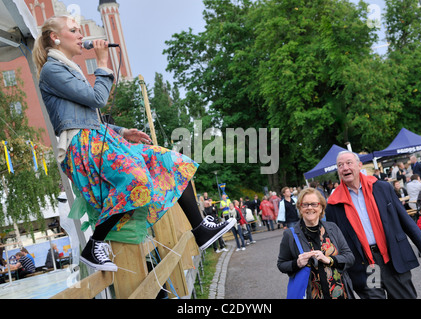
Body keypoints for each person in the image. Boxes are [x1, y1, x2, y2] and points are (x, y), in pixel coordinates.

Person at [33, 15, 235, 272]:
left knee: (170, 161)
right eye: (74, 30)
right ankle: (95, 244)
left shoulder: (69, 69)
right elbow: (96, 99)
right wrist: (103, 62)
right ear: (55, 37)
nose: (81, 36)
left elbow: (88, 117)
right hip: (81, 147)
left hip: (99, 138)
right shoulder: (52, 70)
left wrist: (123, 131)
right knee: (136, 179)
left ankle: (201, 228)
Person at [326, 151, 421, 299]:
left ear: (359, 165)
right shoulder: (334, 204)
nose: (345, 168)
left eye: (348, 163)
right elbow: (335, 240)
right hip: (366, 265)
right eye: (340, 165)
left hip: (392, 258)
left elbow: (405, 219)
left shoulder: (382, 188)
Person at [277, 188, 355, 299]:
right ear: (300, 207)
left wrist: (330, 260)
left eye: (314, 204)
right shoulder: (290, 235)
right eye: (305, 204)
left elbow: (350, 257)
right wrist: (297, 263)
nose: (309, 208)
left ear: (321, 207)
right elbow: (281, 264)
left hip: (340, 294)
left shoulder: (332, 228)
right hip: (311, 295)